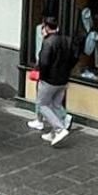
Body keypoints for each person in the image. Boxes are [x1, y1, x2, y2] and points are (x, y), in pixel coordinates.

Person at [28, 15, 75, 146]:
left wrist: (42, 74)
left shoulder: (48, 42)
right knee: (55, 105)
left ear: (46, 28)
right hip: (63, 79)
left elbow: (43, 62)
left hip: (50, 80)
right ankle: (54, 133)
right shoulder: (67, 40)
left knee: (42, 104)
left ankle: (59, 129)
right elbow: (73, 57)